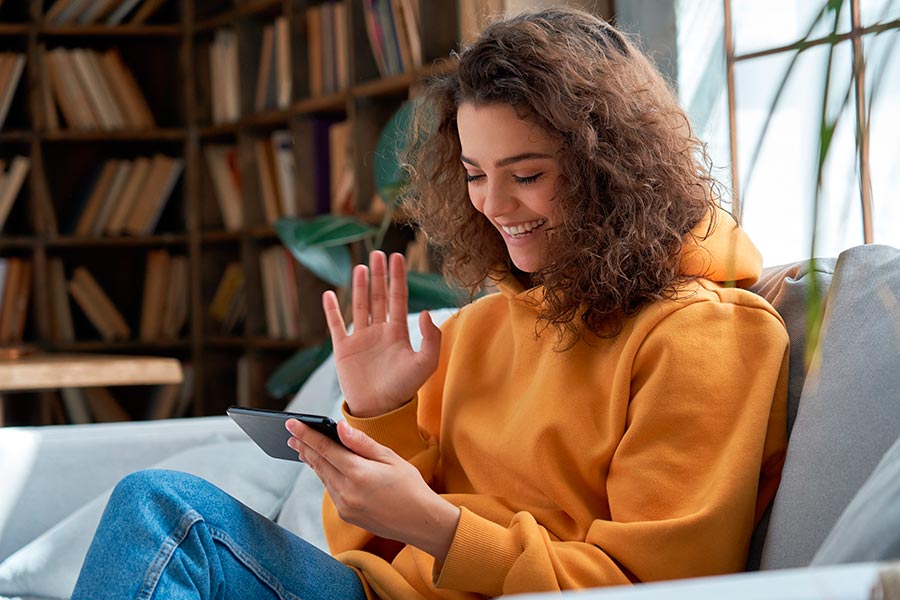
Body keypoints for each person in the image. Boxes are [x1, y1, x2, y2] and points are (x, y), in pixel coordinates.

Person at [72, 7, 789, 599]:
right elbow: (371, 544)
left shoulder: (707, 335)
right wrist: (381, 418)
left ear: (615, 168)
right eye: (476, 174)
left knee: (164, 513)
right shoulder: (480, 328)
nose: (496, 206)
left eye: (528, 174)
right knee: (159, 507)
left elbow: (653, 586)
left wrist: (443, 528)